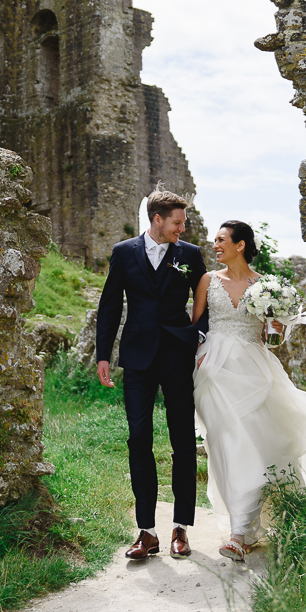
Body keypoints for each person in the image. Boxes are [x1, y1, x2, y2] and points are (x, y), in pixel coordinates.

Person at [191, 220, 306, 562]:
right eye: (214, 240)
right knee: (226, 445)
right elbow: (196, 325)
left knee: (255, 444)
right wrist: (196, 357)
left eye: (220, 239)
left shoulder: (266, 286)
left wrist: (276, 326)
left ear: (240, 244)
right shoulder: (206, 280)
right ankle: (241, 529)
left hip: (254, 369)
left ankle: (238, 534)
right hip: (214, 370)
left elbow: (271, 337)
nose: (214, 244)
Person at [96, 190, 207, 561]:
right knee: (138, 437)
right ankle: (146, 531)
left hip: (177, 355)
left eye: (184, 222)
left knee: (182, 440)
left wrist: (198, 338)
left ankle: (181, 528)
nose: (183, 227)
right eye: (178, 221)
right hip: (138, 357)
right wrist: (103, 355)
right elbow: (110, 304)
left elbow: (204, 302)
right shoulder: (124, 252)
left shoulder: (189, 255)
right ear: (157, 219)